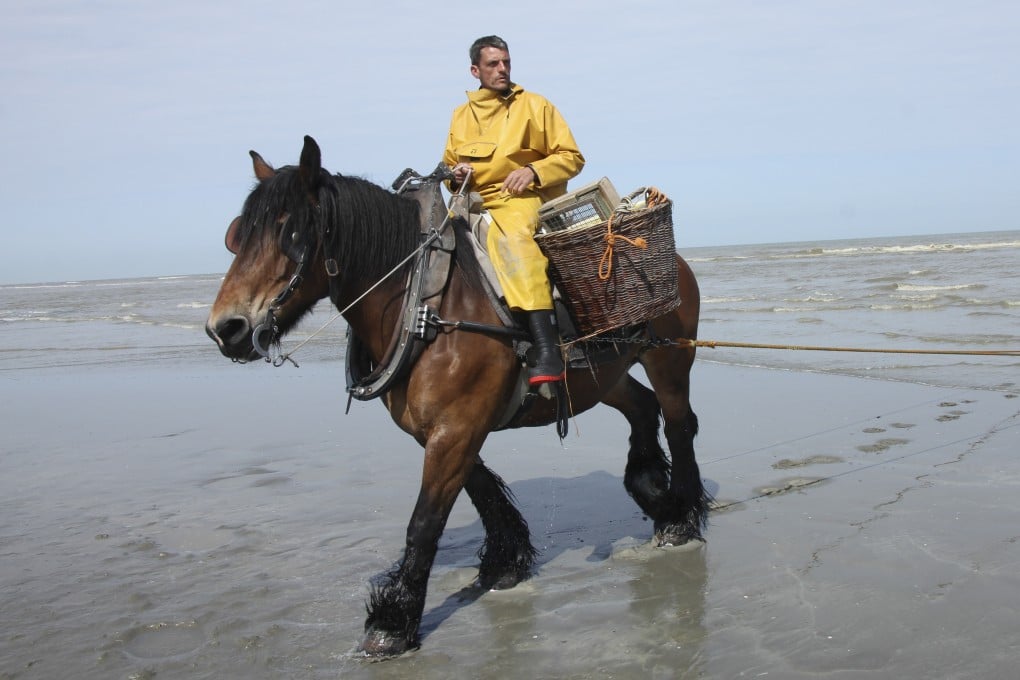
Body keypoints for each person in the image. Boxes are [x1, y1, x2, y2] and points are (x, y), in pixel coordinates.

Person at [444, 35, 585, 386]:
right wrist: (455, 175)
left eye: (506, 62)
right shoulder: (460, 115)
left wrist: (534, 171)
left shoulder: (535, 106)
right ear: (475, 70)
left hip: (520, 199)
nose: (502, 69)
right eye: (493, 64)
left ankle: (548, 347)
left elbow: (571, 157)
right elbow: (448, 166)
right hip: (471, 202)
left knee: (516, 245)